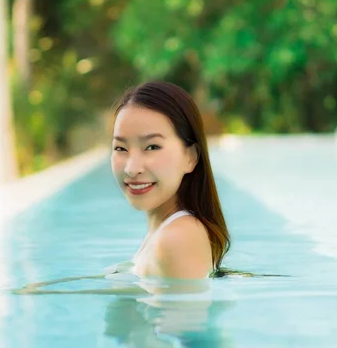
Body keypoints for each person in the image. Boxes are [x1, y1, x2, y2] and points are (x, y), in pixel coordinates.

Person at [14, 81, 250, 296]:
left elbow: (187, 334)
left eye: (152, 147)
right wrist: (54, 290)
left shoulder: (177, 238)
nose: (132, 168)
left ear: (191, 157)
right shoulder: (166, 231)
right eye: (120, 148)